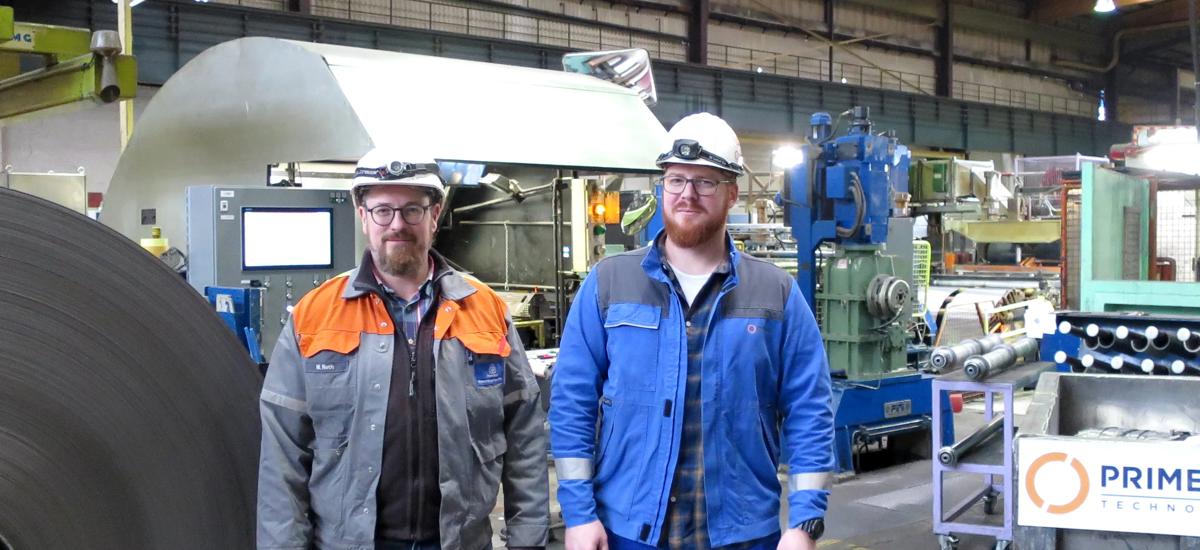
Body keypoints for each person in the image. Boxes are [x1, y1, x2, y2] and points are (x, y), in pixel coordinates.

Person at [550, 113, 834, 550]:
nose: (687, 194)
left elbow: (809, 409)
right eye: (676, 180)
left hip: (742, 532)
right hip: (629, 529)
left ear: (733, 192)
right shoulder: (608, 284)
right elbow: (572, 402)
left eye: (705, 182)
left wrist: (804, 522)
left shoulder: (776, 293)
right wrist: (578, 515)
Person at [257, 148, 549, 550]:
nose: (397, 224)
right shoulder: (314, 315)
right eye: (382, 210)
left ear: (435, 214)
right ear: (363, 216)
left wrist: (528, 539)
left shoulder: (486, 310)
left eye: (412, 209)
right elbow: (282, 458)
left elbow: (525, 438)